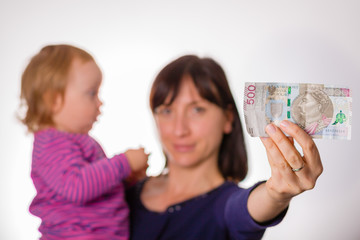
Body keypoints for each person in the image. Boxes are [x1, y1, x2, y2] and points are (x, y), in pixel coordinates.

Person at [126, 55, 323, 240]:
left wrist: (276, 194)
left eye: (197, 109)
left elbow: (246, 210)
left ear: (228, 118)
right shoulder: (123, 192)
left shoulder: (226, 207)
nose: (179, 130)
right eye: (167, 110)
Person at [19, 44, 149, 239]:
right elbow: (77, 186)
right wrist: (124, 163)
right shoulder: (51, 143)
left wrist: (125, 179)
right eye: (91, 93)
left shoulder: (77, 141)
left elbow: (97, 189)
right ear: (54, 100)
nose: (100, 102)